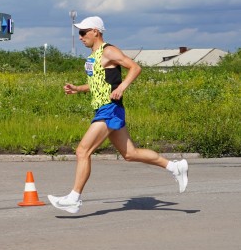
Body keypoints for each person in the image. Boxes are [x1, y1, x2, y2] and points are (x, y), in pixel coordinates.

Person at [47, 16, 189, 214]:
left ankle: (74, 198)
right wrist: (78, 88)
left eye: (83, 32)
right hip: (104, 108)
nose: (80, 37)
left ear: (95, 31)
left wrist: (122, 87)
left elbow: (135, 67)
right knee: (130, 154)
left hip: (110, 108)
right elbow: (99, 83)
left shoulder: (109, 51)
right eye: (79, 33)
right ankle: (175, 167)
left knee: (82, 151)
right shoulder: (94, 56)